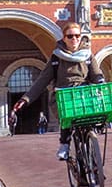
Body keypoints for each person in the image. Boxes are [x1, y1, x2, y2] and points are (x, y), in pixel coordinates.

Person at [13, 21, 104, 160]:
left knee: (91, 118)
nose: (74, 39)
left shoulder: (88, 55)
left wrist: (101, 82)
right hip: (64, 95)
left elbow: (96, 74)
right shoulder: (57, 57)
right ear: (64, 38)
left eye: (77, 36)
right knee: (68, 117)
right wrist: (25, 99)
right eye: (70, 36)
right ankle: (64, 144)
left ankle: (94, 162)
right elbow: (42, 81)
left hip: (83, 94)